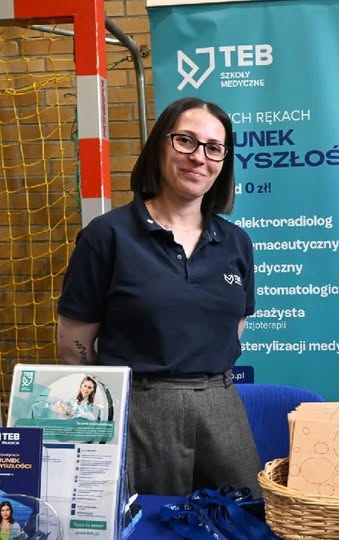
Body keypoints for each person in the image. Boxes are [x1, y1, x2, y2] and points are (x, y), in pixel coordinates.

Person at [56, 97, 261, 496]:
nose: (199, 157)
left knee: (244, 517)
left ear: (224, 161)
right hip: (138, 411)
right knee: (144, 521)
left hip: (221, 408)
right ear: (160, 145)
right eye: (185, 140)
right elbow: (73, 345)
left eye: (214, 148)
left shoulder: (236, 243)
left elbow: (236, 327)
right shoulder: (107, 236)